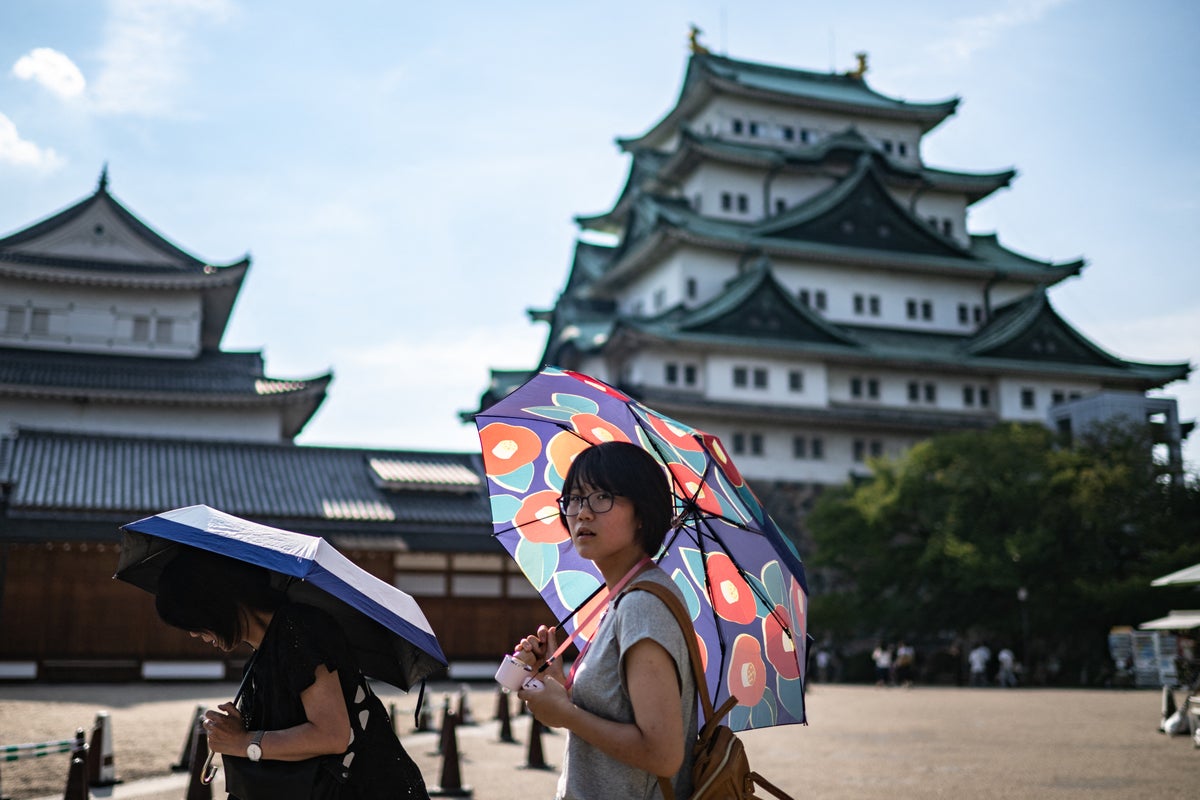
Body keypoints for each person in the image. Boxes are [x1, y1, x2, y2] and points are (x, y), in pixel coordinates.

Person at [153, 546, 430, 800]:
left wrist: (244, 742)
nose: (194, 633)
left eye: (193, 622)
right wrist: (238, 730)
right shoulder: (263, 653)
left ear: (215, 604)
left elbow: (332, 735)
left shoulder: (299, 630)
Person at [512, 441, 698, 800]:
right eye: (574, 498)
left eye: (602, 497)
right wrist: (559, 686)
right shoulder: (623, 597)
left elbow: (663, 755)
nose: (582, 513)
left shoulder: (642, 604)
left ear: (642, 513)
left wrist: (567, 714)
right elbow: (618, 711)